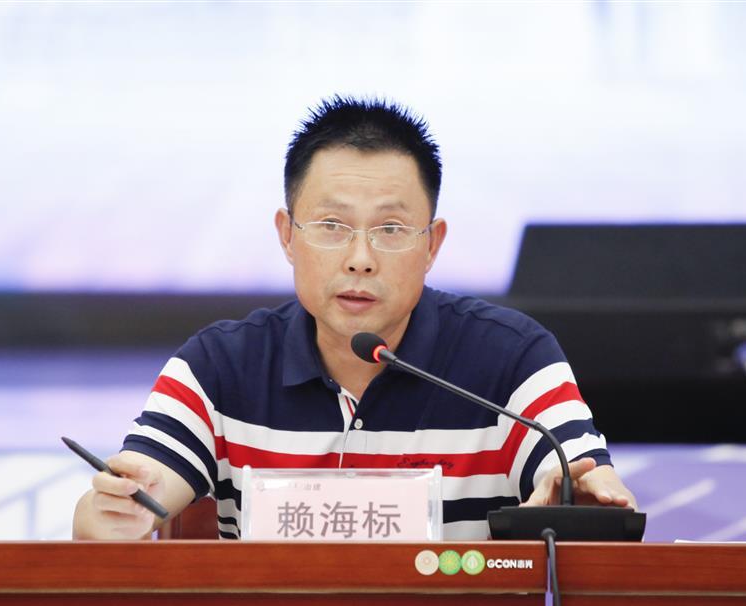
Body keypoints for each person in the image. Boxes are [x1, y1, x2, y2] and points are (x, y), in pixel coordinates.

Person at [72, 95, 636, 541]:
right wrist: (114, 513)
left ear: (432, 244)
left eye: (390, 229)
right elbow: (119, 506)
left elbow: (580, 477)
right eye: (332, 226)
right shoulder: (219, 366)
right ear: (287, 236)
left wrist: (584, 499)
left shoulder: (513, 357)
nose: (360, 258)